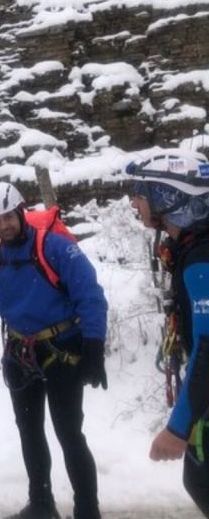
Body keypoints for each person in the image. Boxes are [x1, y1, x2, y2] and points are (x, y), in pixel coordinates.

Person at [0, 182, 108, 519]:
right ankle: (41, 504)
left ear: (20, 212)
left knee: (68, 433)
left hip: (63, 350)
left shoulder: (56, 248)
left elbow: (90, 297)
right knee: (29, 432)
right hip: (19, 353)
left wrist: (94, 348)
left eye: (7, 217)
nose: (3, 226)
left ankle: (87, 511)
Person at [127, 150, 209, 516]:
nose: (133, 202)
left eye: (140, 192)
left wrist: (178, 428)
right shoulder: (189, 247)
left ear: (167, 195)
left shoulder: (200, 258)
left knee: (201, 480)